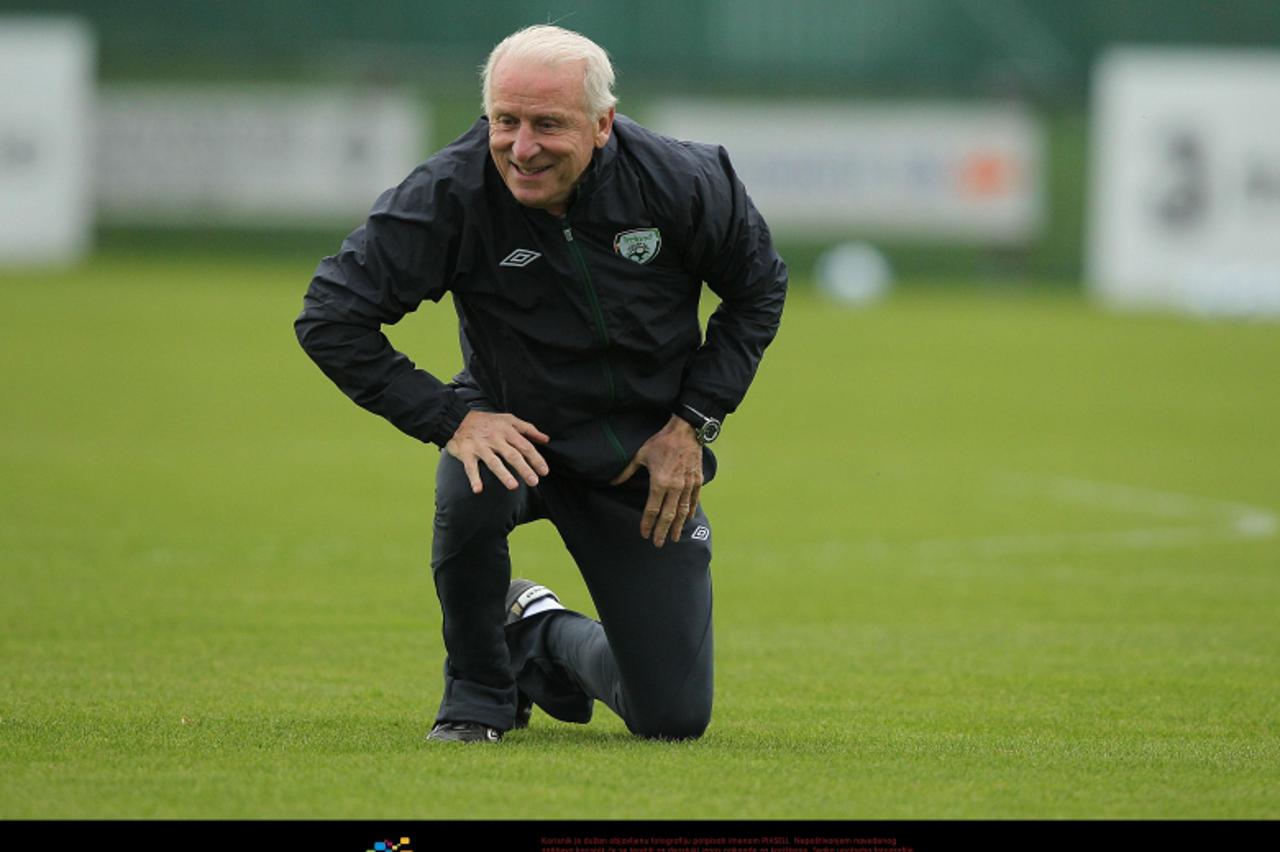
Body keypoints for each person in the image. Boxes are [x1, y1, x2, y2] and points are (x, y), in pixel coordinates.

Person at [295, 24, 787, 742]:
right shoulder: (449, 193)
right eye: (505, 121)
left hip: (640, 455)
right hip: (515, 432)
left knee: (672, 717)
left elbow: (758, 287)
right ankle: (477, 698)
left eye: (548, 125)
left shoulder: (683, 180)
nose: (521, 148)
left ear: (602, 124)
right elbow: (331, 315)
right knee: (470, 490)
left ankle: (537, 630)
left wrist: (691, 422)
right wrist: (452, 420)